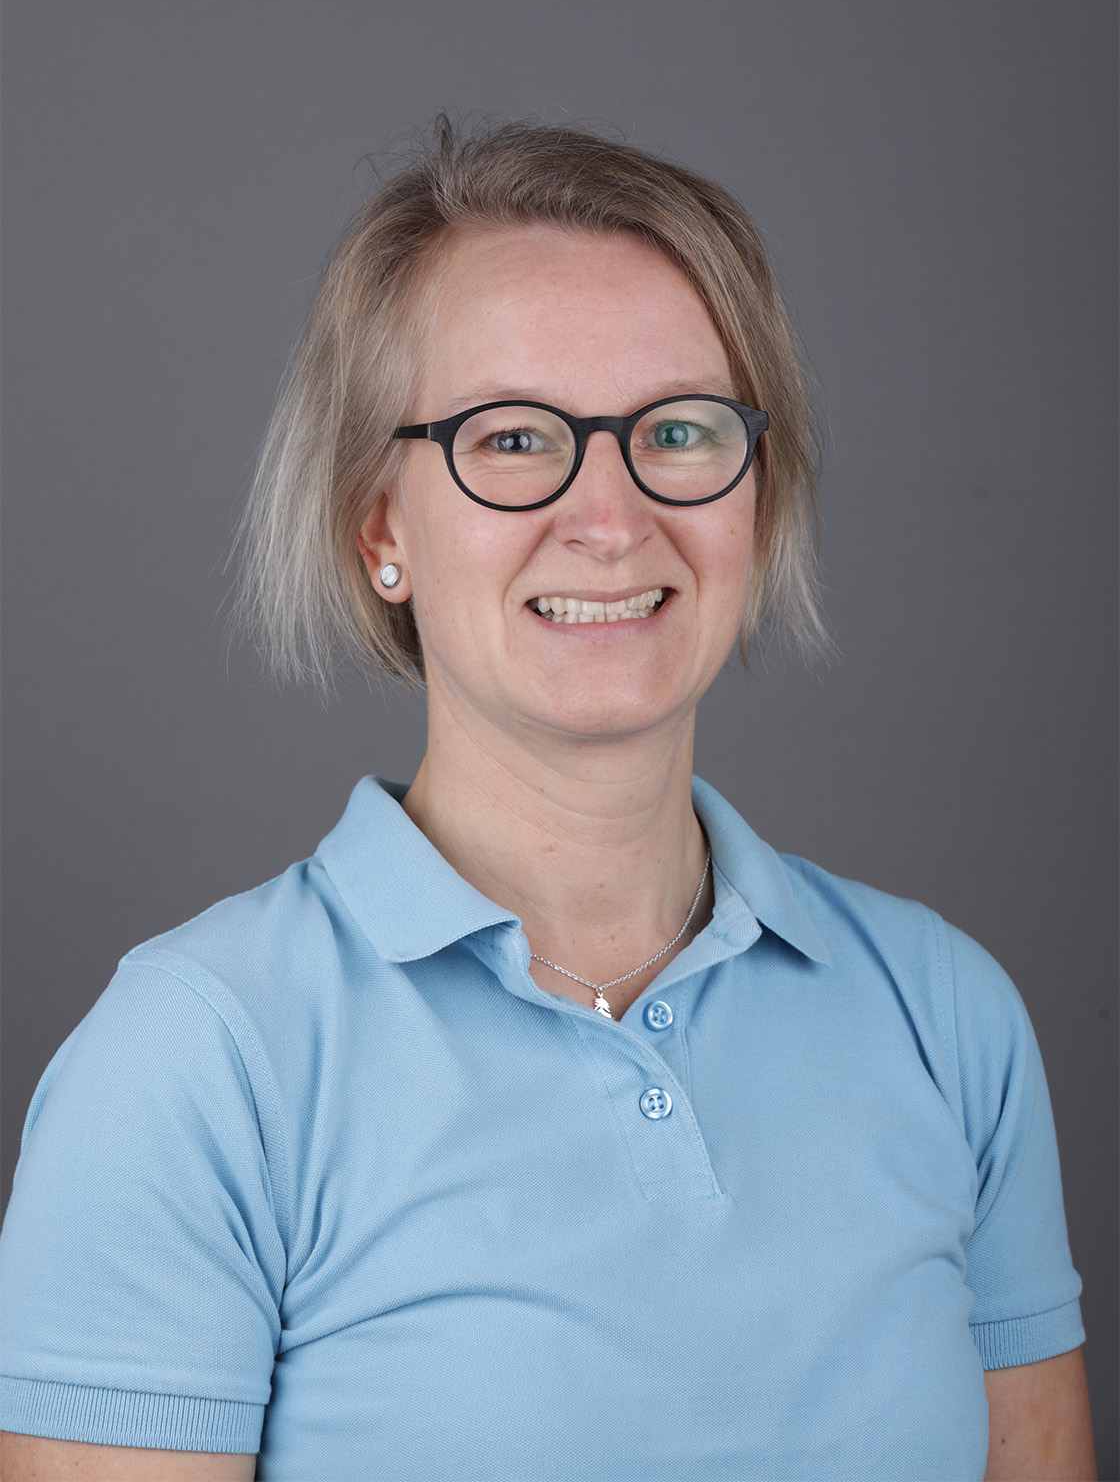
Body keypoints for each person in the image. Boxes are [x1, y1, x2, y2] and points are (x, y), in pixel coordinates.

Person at [0, 120, 1096, 1482]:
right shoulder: (194, 1061)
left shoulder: (946, 1015)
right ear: (380, 527)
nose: (611, 517)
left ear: (757, 500)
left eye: (679, 431)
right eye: (514, 438)